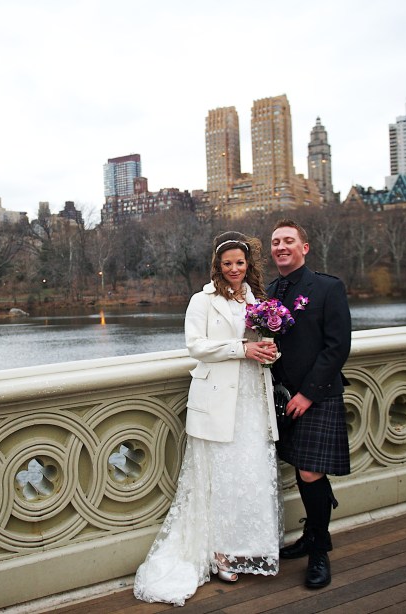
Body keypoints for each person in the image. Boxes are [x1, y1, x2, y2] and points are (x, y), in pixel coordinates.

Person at [133, 231, 283, 606]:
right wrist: (241, 348)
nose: (235, 269)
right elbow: (196, 346)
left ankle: (246, 545)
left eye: (240, 263)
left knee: (248, 472)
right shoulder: (203, 300)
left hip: (251, 395)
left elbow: (260, 342)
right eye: (228, 263)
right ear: (218, 266)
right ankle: (218, 553)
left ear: (249, 265)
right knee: (220, 476)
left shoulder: (258, 299)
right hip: (217, 397)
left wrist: (267, 349)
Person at [267, 219, 352, 589]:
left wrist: (308, 393)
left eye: (288, 240)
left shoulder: (328, 288)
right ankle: (311, 536)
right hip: (282, 397)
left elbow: (338, 347)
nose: (281, 246)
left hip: (317, 395)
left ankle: (319, 550)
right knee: (304, 468)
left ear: (305, 247)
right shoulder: (269, 291)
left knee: (310, 472)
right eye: (275, 242)